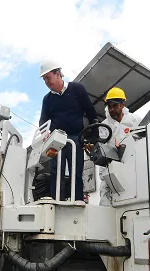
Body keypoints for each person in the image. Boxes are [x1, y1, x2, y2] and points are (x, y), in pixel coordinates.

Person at [38, 60, 98, 201]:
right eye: (44, 79)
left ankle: (77, 200)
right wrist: (45, 133)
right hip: (56, 139)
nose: (46, 82)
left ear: (57, 74)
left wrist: (92, 137)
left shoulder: (77, 89)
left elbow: (91, 112)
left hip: (76, 137)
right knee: (55, 172)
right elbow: (43, 121)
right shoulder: (47, 99)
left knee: (76, 172)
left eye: (48, 77)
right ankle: (57, 201)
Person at [98, 87, 141, 206]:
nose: (111, 110)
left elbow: (143, 138)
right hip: (111, 166)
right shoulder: (104, 125)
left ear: (122, 105)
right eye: (109, 106)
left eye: (114, 106)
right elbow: (102, 147)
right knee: (105, 195)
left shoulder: (135, 120)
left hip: (133, 164)